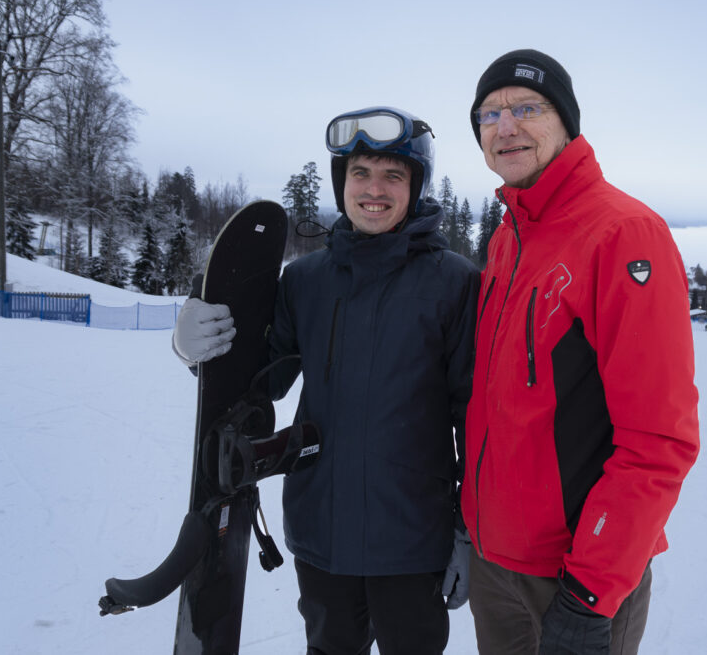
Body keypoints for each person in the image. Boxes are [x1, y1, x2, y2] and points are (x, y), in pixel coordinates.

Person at [172, 106, 479, 655]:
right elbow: (260, 382)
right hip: (322, 533)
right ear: (342, 183)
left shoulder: (454, 283)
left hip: (414, 540)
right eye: (360, 173)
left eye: (393, 175)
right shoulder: (305, 280)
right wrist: (199, 350)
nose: (374, 190)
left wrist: (468, 531)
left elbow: (475, 418)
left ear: (416, 187)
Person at [460, 49, 701, 655]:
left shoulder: (622, 233)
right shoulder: (508, 238)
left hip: (573, 577)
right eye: (488, 116)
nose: (505, 127)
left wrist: (591, 591)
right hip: (497, 566)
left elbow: (659, 439)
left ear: (566, 122)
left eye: (525, 108)